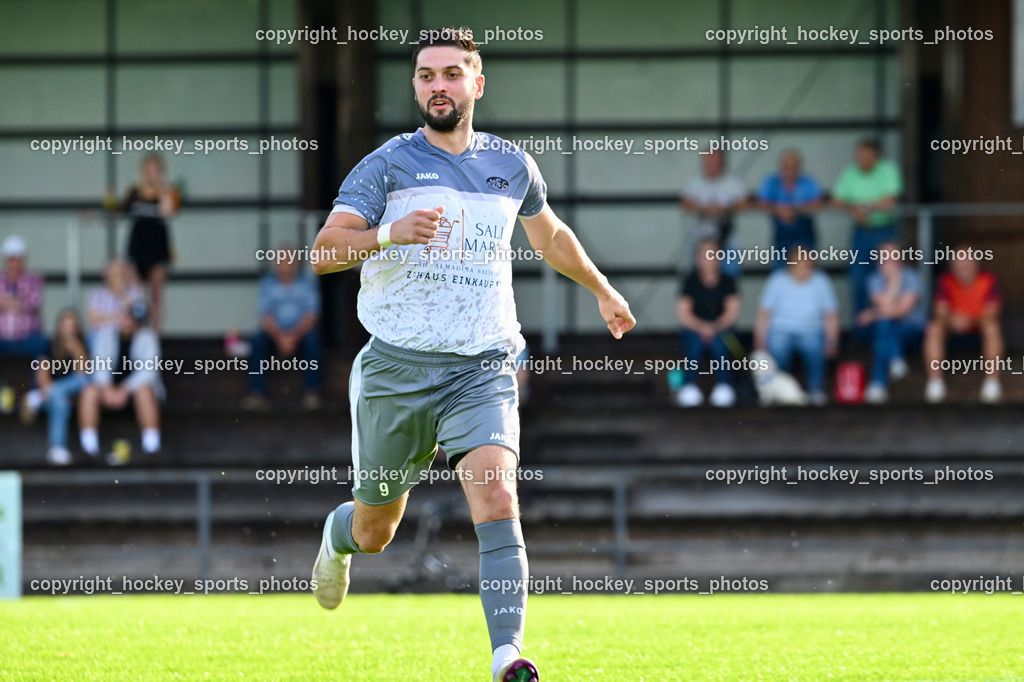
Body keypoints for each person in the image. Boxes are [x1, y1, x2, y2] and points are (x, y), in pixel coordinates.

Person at [308, 28, 634, 682]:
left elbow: (552, 236)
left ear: (476, 84)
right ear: (416, 87)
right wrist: (391, 234)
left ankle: (506, 655)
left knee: (499, 500)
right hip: (395, 372)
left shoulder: (512, 165)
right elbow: (322, 252)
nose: (438, 86)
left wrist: (602, 289)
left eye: (451, 74)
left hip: (481, 369)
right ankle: (336, 537)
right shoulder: (387, 166)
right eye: (426, 75)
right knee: (377, 531)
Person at [754, 245, 840, 405]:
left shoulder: (821, 280)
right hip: (781, 330)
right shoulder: (777, 280)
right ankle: (776, 391)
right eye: (801, 262)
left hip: (811, 331)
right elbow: (764, 312)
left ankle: (816, 390)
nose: (806, 266)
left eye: (809, 262)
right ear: (791, 264)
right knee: (778, 348)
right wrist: (760, 339)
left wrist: (832, 340)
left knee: (815, 348)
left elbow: (831, 314)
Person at [78, 300, 164, 459]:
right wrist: (107, 388)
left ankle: (152, 447)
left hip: (135, 394)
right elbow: (98, 365)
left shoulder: (148, 337)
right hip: (107, 391)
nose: (130, 322)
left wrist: (125, 388)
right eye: (128, 317)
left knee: (144, 391)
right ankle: (88, 447)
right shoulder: (105, 335)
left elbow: (149, 371)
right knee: (89, 391)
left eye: (135, 320)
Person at [832, 139, 903, 323]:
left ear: (876, 156)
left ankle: (885, 326)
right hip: (861, 233)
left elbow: (890, 202)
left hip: (885, 232)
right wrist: (854, 209)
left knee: (888, 279)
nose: (862, 160)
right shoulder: (851, 172)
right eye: (859, 156)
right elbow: (837, 201)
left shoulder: (888, 169)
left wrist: (864, 207)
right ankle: (862, 332)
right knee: (858, 281)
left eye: (866, 156)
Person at [242, 250, 323, 410]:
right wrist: (280, 337)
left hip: (300, 332)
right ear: (276, 263)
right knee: (257, 343)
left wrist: (293, 336)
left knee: (314, 342)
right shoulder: (267, 283)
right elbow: (265, 316)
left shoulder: (306, 283)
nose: (287, 265)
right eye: (283, 260)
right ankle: (257, 394)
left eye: (290, 260)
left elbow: (312, 315)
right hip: (275, 332)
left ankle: (312, 393)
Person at [923, 245, 1003, 404]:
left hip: (979, 327)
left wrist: (971, 320)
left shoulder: (987, 280)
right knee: (934, 328)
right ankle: (935, 383)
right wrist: (953, 319)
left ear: (975, 265)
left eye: (966, 266)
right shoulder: (946, 280)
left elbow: (993, 311)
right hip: (952, 329)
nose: (962, 271)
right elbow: (940, 310)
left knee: (992, 328)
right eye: (958, 267)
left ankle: (992, 382)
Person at [20, 309, 92, 466]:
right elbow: (42, 378)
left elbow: (83, 374)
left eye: (73, 325)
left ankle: (36, 398)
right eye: (66, 325)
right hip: (52, 398)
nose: (70, 329)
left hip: (70, 398)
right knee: (60, 399)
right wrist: (57, 392)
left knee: (85, 380)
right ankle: (57, 448)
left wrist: (76, 349)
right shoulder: (48, 345)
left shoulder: (83, 345)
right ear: (59, 326)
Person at [858, 242, 927, 404]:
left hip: (912, 329)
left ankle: (878, 383)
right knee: (884, 324)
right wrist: (895, 281)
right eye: (885, 257)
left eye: (894, 256)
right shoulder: (874, 279)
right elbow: (885, 306)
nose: (890, 260)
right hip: (889, 328)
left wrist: (872, 314)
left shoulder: (912, 277)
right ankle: (896, 360)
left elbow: (901, 311)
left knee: (883, 324)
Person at [675, 239, 740, 408]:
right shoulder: (690, 280)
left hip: (721, 329)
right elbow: (684, 313)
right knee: (694, 344)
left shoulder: (728, 281)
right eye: (704, 255)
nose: (708, 259)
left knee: (720, 344)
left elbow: (731, 313)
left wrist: (715, 327)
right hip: (695, 329)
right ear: (697, 258)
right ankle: (689, 386)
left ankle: (724, 386)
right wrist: (701, 327)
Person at [120, 154, 179, 332]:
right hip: (137, 246)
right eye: (149, 169)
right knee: (136, 293)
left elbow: (168, 212)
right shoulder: (135, 192)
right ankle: (136, 333)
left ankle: (154, 336)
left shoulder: (169, 191)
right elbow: (122, 210)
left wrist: (161, 188)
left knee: (155, 295)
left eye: (156, 169)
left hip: (157, 247)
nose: (152, 173)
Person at [680, 149, 748, 277]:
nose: (713, 166)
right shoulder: (694, 181)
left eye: (716, 162)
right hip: (699, 241)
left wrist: (724, 209)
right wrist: (705, 209)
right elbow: (685, 204)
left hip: (727, 241)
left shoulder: (732, 181)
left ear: (722, 163)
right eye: (710, 162)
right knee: (696, 278)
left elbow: (744, 203)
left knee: (730, 277)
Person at [756, 149, 823, 269]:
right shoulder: (771, 182)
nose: (790, 172)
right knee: (780, 272)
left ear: (799, 168)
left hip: (804, 235)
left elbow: (817, 204)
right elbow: (761, 204)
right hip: (782, 236)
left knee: (807, 271)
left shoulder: (808, 182)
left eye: (793, 168)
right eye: (786, 168)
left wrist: (795, 211)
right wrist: (778, 209)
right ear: (780, 167)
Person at [0, 235, 47, 360]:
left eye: (18, 259)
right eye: (11, 259)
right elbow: (25, 302)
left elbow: (33, 303)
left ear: (23, 260)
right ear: (5, 260)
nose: (14, 264)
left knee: (43, 345)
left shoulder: (34, 279)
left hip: (27, 338)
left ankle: (39, 380)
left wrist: (5, 302)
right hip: (2, 339)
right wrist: (19, 301)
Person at [87, 258, 144, 342]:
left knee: (146, 337)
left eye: (120, 273)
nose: (117, 277)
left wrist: (122, 293)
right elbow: (94, 320)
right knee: (107, 335)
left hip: (129, 335)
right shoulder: (97, 294)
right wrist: (119, 318)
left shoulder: (134, 292)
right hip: (102, 336)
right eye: (114, 274)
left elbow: (139, 316)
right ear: (106, 275)